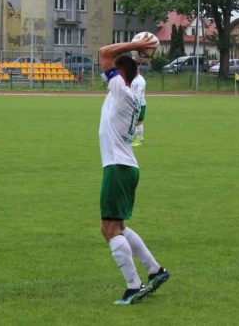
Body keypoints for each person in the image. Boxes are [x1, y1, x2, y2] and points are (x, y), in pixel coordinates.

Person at [98, 37, 169, 306]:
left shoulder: (121, 91)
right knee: (119, 226)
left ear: (120, 74)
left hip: (118, 167)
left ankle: (133, 285)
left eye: (113, 72)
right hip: (126, 166)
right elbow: (113, 62)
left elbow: (104, 52)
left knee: (109, 229)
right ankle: (154, 269)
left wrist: (132, 46)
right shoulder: (126, 94)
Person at [131, 66, 147, 147]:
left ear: (138, 70)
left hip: (139, 104)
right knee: (136, 122)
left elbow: (139, 94)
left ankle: (138, 140)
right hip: (134, 103)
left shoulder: (141, 80)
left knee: (137, 122)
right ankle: (140, 137)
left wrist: (136, 104)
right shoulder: (134, 78)